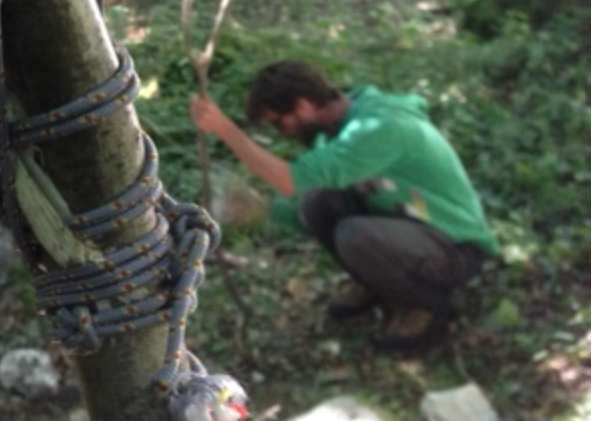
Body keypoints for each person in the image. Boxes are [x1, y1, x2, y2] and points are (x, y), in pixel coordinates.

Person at [190, 60, 498, 352]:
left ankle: (425, 305)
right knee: (318, 202)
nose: (282, 133)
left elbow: (288, 180)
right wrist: (263, 211)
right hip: (409, 225)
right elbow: (306, 202)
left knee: (354, 235)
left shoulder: (377, 129)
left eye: (279, 123)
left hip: (457, 248)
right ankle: (377, 282)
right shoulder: (335, 131)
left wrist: (225, 129)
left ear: (302, 105)